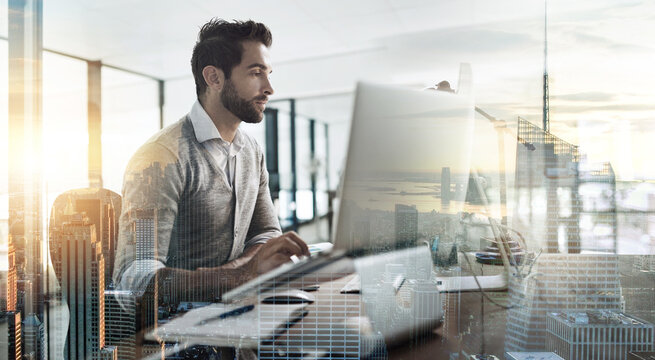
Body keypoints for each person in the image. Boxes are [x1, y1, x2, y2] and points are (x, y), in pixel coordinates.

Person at [113, 19, 310, 308]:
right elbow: (135, 282)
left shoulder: (251, 151)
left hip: (239, 322)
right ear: (214, 78)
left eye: (267, 74)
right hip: (177, 340)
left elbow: (266, 233)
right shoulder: (159, 158)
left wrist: (240, 272)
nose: (269, 88)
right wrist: (241, 275)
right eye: (256, 73)